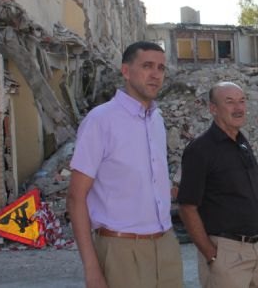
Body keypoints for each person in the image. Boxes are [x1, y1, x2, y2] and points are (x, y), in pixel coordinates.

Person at [67, 41, 183, 288]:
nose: (156, 74)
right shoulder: (101, 120)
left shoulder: (157, 120)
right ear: (126, 71)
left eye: (161, 68)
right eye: (147, 66)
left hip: (166, 246)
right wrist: (92, 269)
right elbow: (76, 197)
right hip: (121, 249)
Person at [177, 82, 258, 288]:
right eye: (230, 102)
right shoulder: (200, 149)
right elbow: (187, 207)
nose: (238, 108)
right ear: (213, 108)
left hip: (256, 251)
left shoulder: (242, 143)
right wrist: (211, 255)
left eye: (242, 101)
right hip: (226, 254)